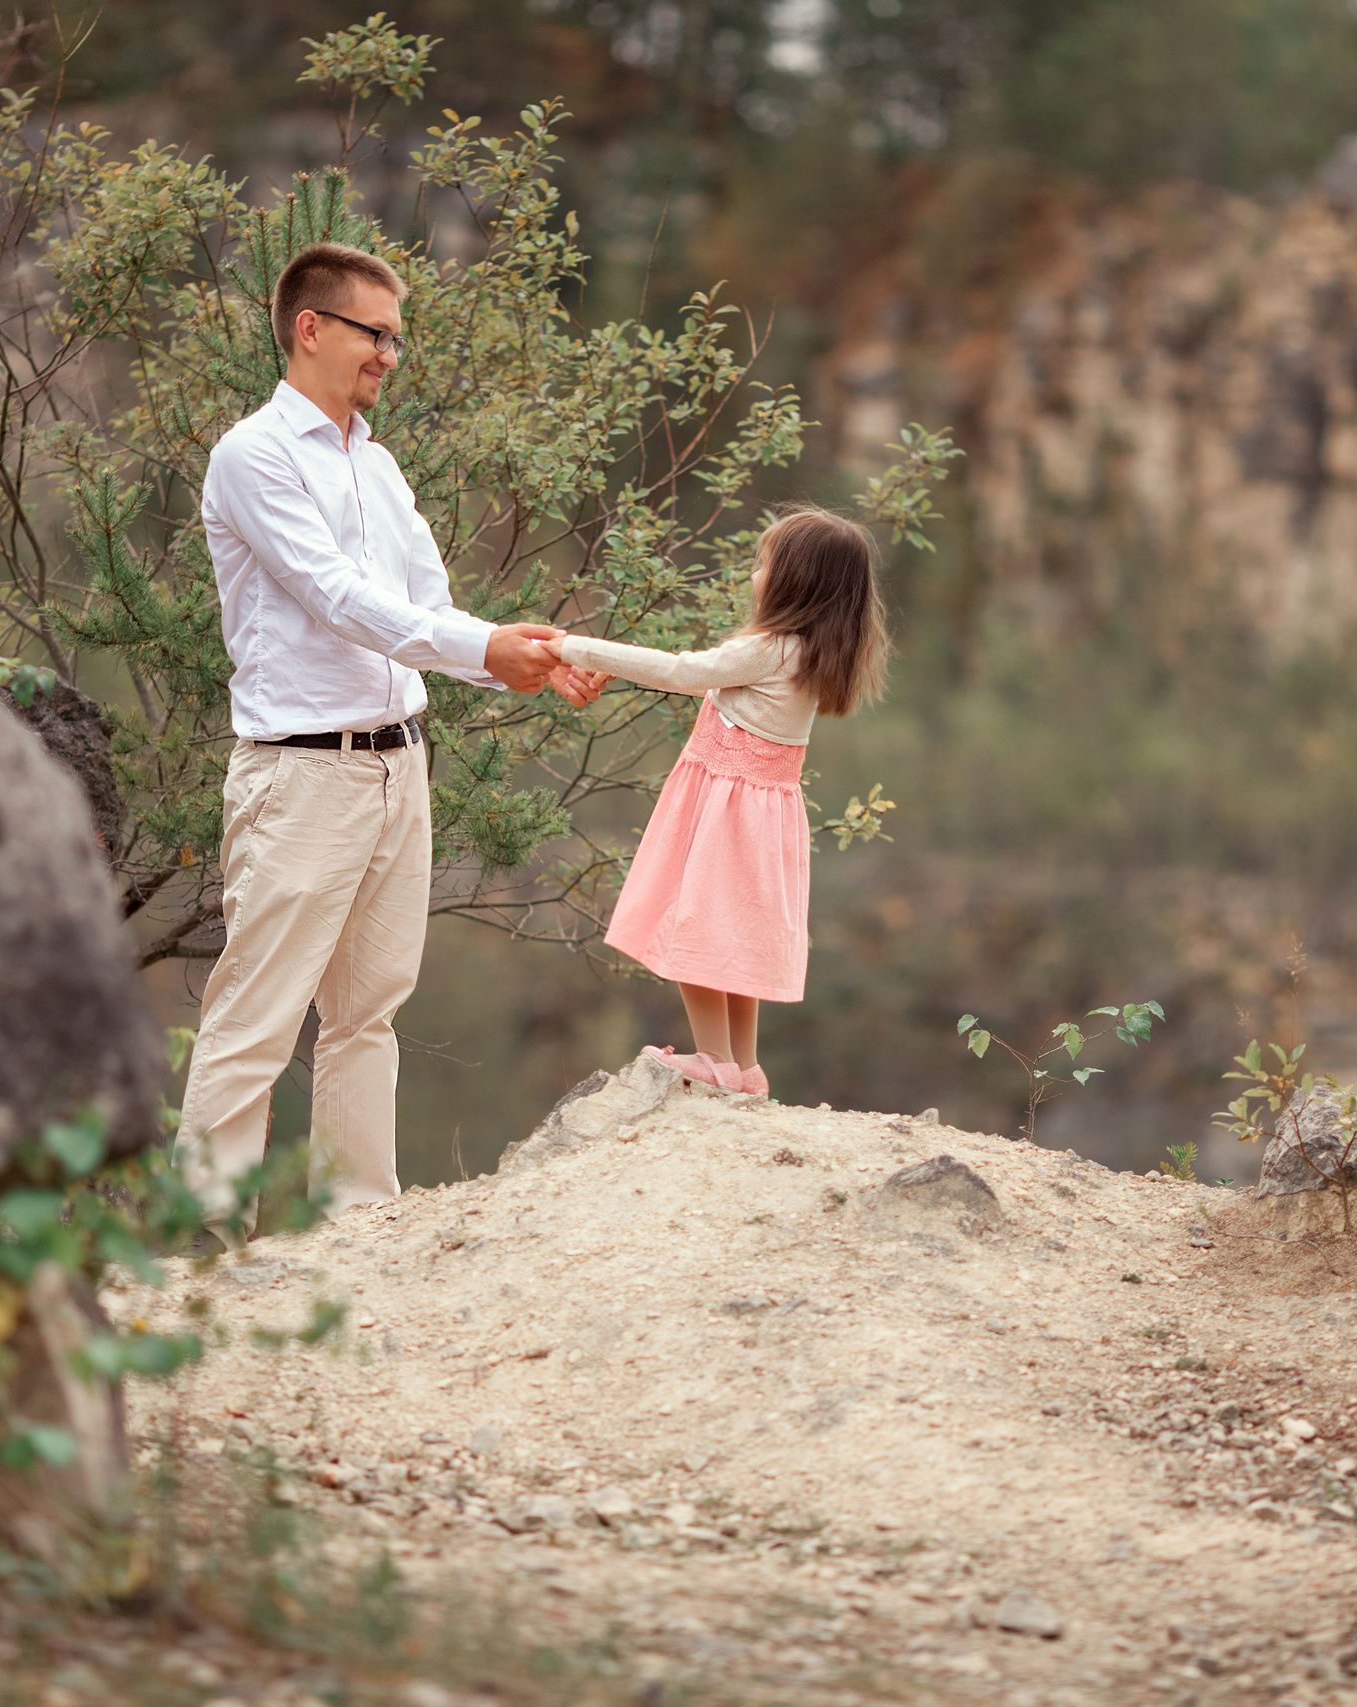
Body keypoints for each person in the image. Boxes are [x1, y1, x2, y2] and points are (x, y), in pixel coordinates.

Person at [179, 240, 599, 1228]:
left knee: (369, 1010)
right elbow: (334, 599)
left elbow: (424, 609)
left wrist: (523, 653)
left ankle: (358, 1224)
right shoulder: (253, 455)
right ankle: (201, 1236)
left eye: (398, 340)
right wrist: (485, 646)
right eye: (375, 333)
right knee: (256, 1009)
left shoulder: (380, 465)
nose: (390, 356)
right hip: (299, 775)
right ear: (309, 328)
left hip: (396, 764)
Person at [543, 505, 890, 1097]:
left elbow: (683, 670)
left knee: (697, 929)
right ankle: (744, 1068)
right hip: (759, 816)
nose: (755, 574)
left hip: (723, 816)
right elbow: (708, 681)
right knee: (735, 938)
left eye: (765, 564)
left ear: (795, 583)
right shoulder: (807, 653)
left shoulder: (773, 648)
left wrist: (577, 649)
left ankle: (713, 1061)